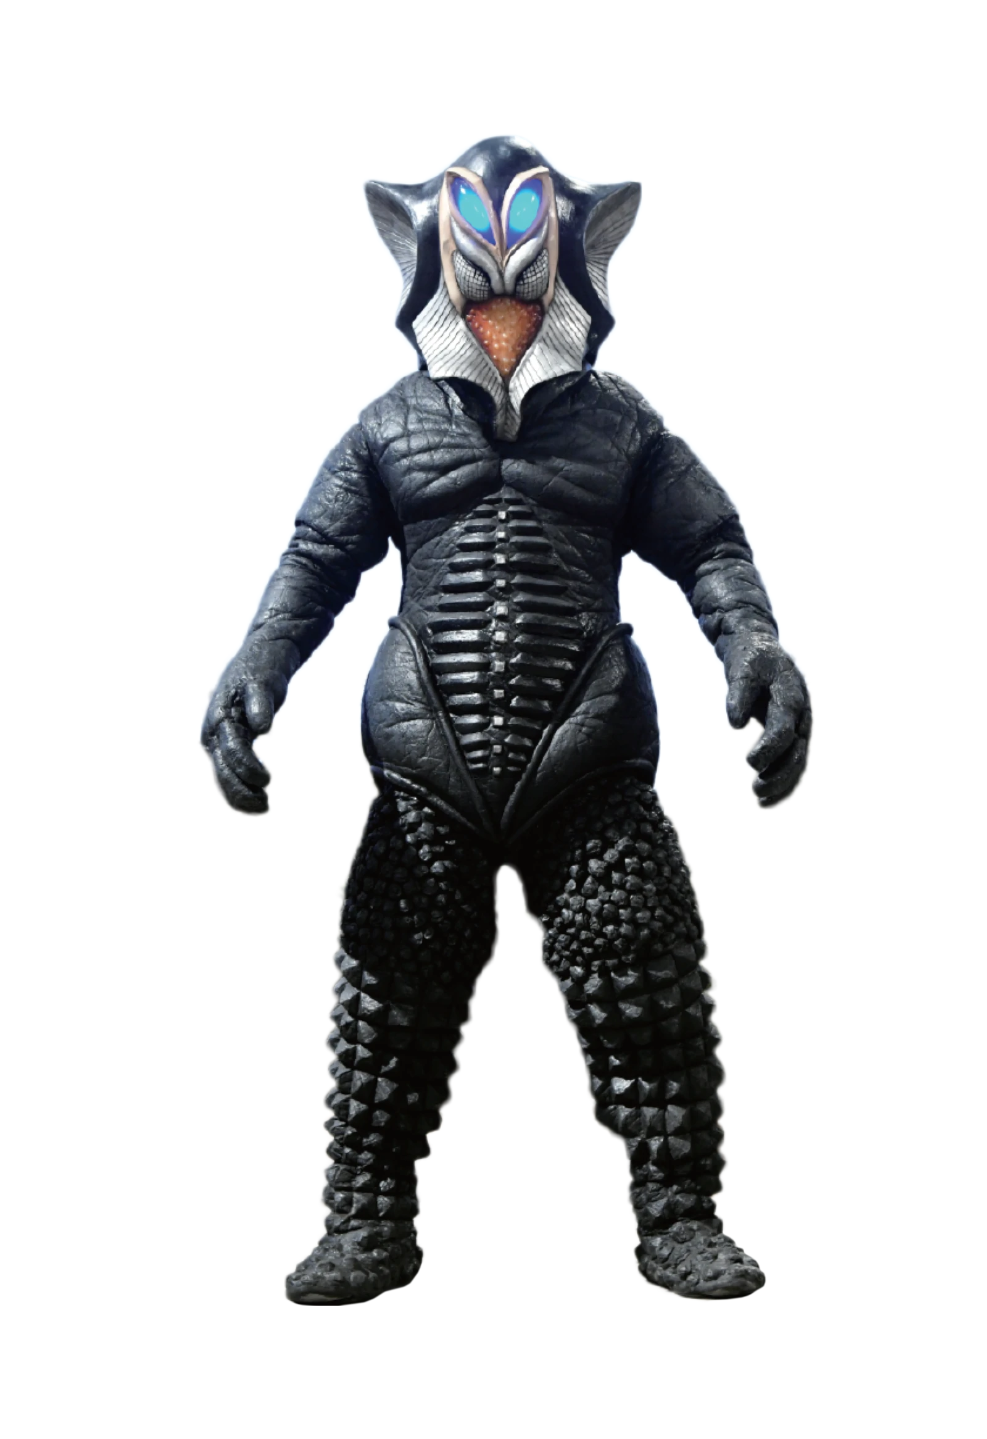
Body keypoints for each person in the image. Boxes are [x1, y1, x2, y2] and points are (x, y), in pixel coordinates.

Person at [202, 136, 811, 1304]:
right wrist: (256, 663)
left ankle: (680, 1213)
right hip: (425, 762)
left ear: (571, 279)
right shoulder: (388, 427)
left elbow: (710, 546)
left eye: (522, 295)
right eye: (481, 296)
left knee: (648, 993)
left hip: (587, 755)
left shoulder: (622, 428)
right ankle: (366, 1219)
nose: (501, 321)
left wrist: (756, 644)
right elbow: (316, 559)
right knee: (389, 1001)